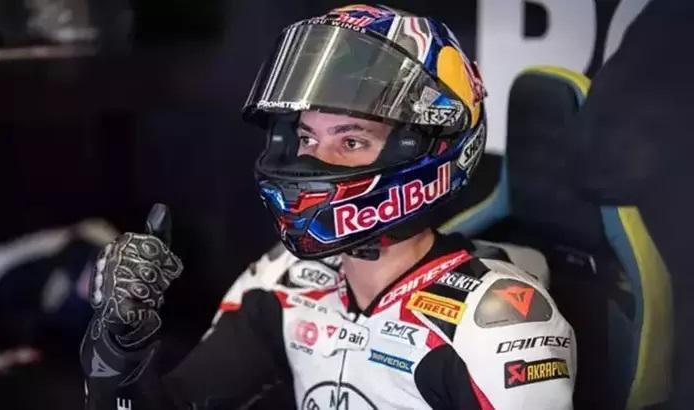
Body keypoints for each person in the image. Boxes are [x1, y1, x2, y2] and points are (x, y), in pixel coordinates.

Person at [80, 5, 576, 409]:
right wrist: (119, 348)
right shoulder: (284, 281)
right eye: (306, 137)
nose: (315, 161)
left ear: (427, 148)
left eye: (351, 140)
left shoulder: (498, 324)